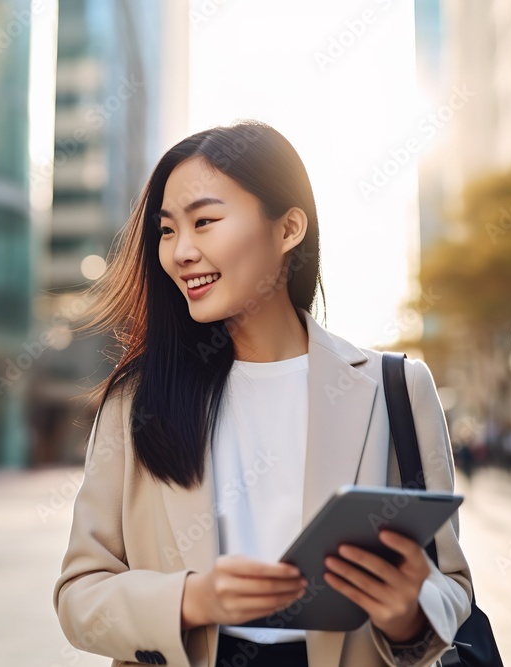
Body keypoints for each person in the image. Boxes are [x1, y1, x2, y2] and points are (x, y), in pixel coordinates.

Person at [52, 121, 472, 667]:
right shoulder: (137, 399)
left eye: (204, 221)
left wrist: (408, 613)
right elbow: (79, 595)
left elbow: (452, 583)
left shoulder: (394, 386)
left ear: (288, 228)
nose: (181, 251)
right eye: (167, 230)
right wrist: (191, 598)